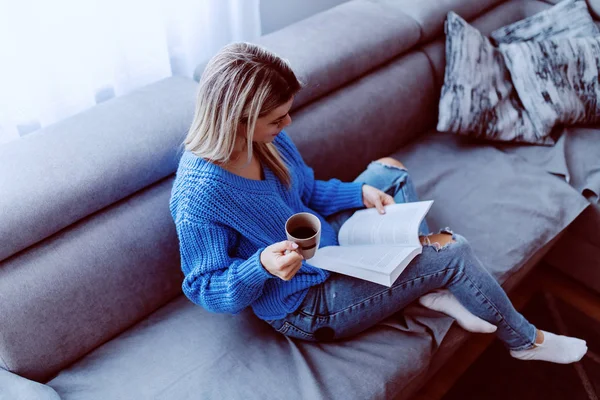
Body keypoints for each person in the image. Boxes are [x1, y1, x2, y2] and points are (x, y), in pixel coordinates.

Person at [169, 42, 587, 364]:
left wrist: (358, 193)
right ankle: (525, 341)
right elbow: (203, 287)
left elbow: (307, 191)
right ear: (236, 119)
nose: (287, 124)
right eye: (277, 118)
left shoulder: (267, 140)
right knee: (451, 250)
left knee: (389, 171)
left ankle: (422, 282)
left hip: (332, 251)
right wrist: (260, 266)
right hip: (307, 305)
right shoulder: (200, 194)